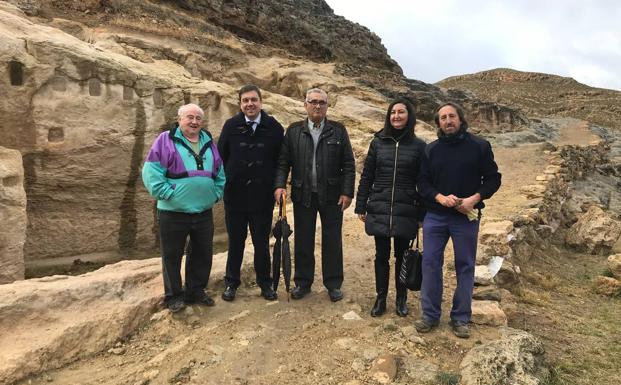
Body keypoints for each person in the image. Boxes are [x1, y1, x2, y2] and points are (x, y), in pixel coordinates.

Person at [416, 102, 501, 338]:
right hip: (435, 216)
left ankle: (461, 317)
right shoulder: (430, 150)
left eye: (451, 116)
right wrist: (440, 197)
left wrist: (474, 198)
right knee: (431, 264)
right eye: (442, 118)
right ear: (438, 123)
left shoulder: (480, 146)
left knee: (465, 266)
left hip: (466, 218)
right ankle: (430, 315)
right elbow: (422, 183)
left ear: (460, 119)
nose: (447, 121)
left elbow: (493, 179)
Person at [142, 103, 226, 313]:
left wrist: (215, 193)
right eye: (190, 117)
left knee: (202, 253)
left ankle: (196, 291)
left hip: (203, 212)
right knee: (172, 255)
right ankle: (174, 296)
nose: (194, 121)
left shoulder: (208, 142)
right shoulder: (166, 140)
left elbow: (220, 172)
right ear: (179, 119)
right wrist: (168, 194)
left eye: (198, 118)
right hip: (173, 212)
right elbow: (151, 171)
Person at [274, 88, 355, 302]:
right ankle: (302, 282)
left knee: (332, 241)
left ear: (327, 106)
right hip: (303, 195)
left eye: (322, 102)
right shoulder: (293, 131)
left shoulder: (338, 130)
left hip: (332, 195)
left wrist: (347, 192)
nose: (317, 106)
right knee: (303, 240)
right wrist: (280, 185)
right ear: (305, 105)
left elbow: (348, 164)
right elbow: (283, 162)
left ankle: (333, 284)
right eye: (313, 102)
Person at [355, 98, 426, 317]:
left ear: (409, 116)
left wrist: (422, 213)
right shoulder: (378, 142)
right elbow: (367, 175)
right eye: (393, 112)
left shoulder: (419, 146)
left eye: (401, 112)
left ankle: (401, 298)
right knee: (381, 255)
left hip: (406, 207)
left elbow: (423, 182)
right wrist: (361, 205)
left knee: (403, 255)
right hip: (380, 205)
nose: (396, 116)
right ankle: (381, 297)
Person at [217, 85, 284, 301]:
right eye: (245, 100)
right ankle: (231, 283)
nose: (250, 104)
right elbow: (220, 157)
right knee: (235, 242)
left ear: (261, 101)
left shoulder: (274, 127)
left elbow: (280, 162)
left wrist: (278, 186)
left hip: (262, 197)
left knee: (261, 243)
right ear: (240, 104)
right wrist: (225, 183)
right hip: (235, 196)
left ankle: (265, 284)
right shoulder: (231, 126)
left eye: (253, 99)